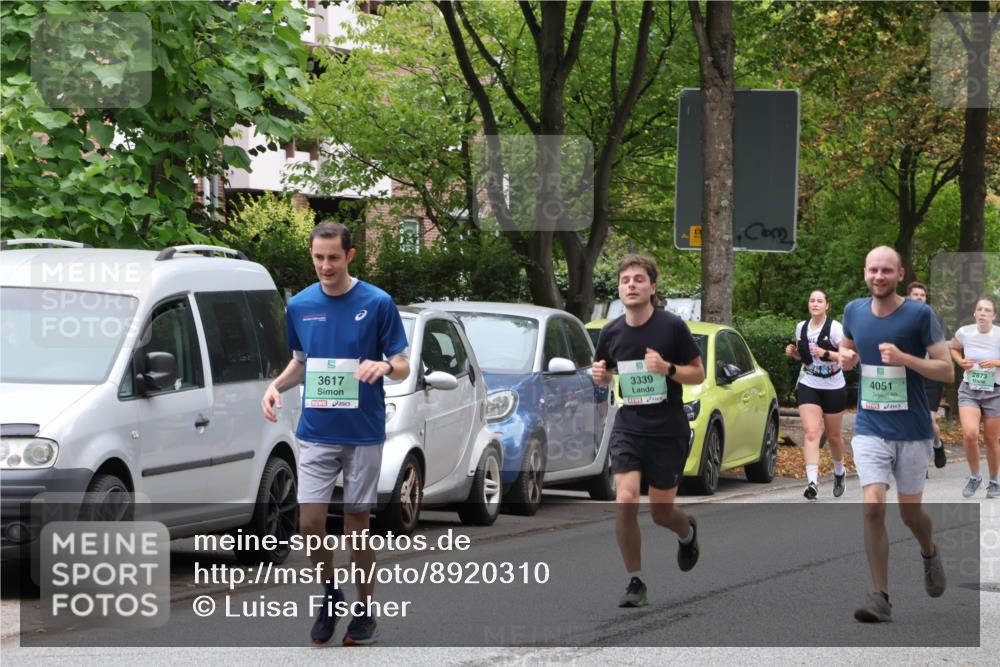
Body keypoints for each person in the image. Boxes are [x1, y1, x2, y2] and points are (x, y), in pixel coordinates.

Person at [261, 222, 410, 646]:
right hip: (317, 430)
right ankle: (330, 593)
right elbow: (302, 361)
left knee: (356, 525)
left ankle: (364, 612)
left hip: (362, 431)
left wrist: (383, 366)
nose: (325, 266)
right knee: (309, 522)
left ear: (350, 256)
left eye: (333, 257)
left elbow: (403, 363)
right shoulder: (300, 305)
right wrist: (275, 387)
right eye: (318, 258)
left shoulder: (377, 302)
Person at [838, 246, 953, 623]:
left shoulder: (920, 314)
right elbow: (848, 345)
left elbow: (946, 370)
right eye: (873, 270)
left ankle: (928, 549)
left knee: (909, 514)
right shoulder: (854, 310)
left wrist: (906, 359)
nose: (879, 276)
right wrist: (846, 356)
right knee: (872, 506)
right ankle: (881, 597)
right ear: (865, 272)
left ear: (900, 275)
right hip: (870, 426)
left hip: (914, 430)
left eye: (887, 271)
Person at [592, 254, 706, 608]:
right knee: (625, 500)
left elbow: (698, 373)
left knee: (660, 512)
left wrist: (667, 368)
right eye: (625, 280)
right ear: (618, 288)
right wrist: (601, 377)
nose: (631, 285)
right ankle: (635, 581)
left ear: (652, 287)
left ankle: (687, 532)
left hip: (668, 428)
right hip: (630, 424)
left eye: (638, 279)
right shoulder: (611, 332)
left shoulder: (671, 327)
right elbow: (606, 373)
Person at [784, 290, 848, 499]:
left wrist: (827, 353)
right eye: (812, 300)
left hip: (833, 385)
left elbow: (848, 357)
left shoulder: (836, 329)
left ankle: (839, 471)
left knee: (834, 436)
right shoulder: (801, 327)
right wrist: (794, 353)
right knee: (811, 432)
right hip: (809, 382)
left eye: (820, 301)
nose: (815, 304)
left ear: (827, 305)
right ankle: (812, 482)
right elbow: (803, 357)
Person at [949, 298, 1000, 498]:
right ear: (974, 313)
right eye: (979, 309)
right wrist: (961, 361)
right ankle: (975, 477)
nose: (982, 313)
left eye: (987, 310)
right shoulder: (965, 332)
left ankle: (994, 481)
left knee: (991, 439)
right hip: (970, 389)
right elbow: (953, 347)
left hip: (995, 391)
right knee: (969, 434)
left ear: (993, 316)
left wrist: (996, 362)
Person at [907, 281, 949, 469]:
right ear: (909, 297)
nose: (919, 298)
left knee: (929, 419)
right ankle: (919, 461)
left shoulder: (935, 318)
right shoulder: (900, 318)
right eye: (915, 295)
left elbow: (946, 344)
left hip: (931, 374)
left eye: (922, 295)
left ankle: (937, 445)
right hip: (909, 374)